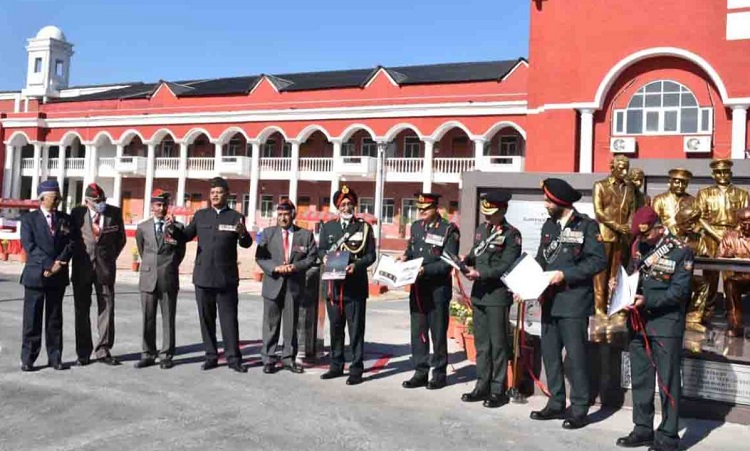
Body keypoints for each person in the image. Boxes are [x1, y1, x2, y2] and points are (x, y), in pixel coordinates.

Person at [528, 178, 606, 429]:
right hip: (549, 301)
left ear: (561, 201)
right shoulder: (549, 226)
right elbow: (542, 260)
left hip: (573, 302)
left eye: (548, 200)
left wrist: (565, 275)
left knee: (576, 357)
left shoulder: (586, 226)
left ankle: (580, 407)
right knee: (550, 355)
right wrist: (526, 285)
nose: (545, 204)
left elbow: (597, 262)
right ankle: (556, 402)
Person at [615, 206, 692, 451]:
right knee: (640, 378)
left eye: (647, 234)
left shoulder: (681, 250)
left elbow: (679, 292)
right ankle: (642, 429)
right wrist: (621, 292)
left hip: (665, 323)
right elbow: (633, 276)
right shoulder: (638, 247)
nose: (643, 239)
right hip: (638, 322)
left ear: (659, 227)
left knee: (667, 381)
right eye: (640, 236)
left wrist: (648, 301)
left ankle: (668, 436)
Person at [169, 177, 252, 373]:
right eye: (212, 192)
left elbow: (246, 243)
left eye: (219, 192)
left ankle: (233, 358)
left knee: (229, 320)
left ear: (227, 194)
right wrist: (173, 228)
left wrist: (242, 233)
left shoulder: (236, 217)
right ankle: (211, 356)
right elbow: (186, 236)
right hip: (204, 277)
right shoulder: (200, 215)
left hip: (226, 278)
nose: (215, 195)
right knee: (206, 320)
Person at [461, 190, 521, 407]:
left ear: (503, 210)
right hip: (479, 295)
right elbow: (475, 254)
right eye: (485, 212)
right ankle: (481, 384)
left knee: (498, 344)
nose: (487, 216)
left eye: (491, 212)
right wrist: (464, 261)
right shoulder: (481, 230)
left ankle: (498, 389)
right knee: (482, 344)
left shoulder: (512, 235)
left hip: (496, 295)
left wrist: (481, 273)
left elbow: (506, 265)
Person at [318, 185, 377, 385]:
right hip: (334, 288)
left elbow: (371, 255)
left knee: (356, 331)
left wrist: (357, 265)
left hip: (355, 287)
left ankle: (356, 369)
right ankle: (336, 365)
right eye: (343, 204)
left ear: (354, 205)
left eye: (349, 204)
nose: (346, 207)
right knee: (336, 329)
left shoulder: (364, 227)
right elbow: (321, 250)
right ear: (337, 207)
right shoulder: (328, 227)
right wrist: (324, 258)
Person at [400, 192, 460, 390]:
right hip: (418, 288)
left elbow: (448, 263)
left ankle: (439, 373)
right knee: (418, 332)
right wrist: (404, 258)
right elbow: (411, 250)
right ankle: (420, 371)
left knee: (437, 333)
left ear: (436, 208)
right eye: (420, 209)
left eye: (426, 209)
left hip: (437, 290)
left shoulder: (449, 229)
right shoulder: (417, 227)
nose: (422, 212)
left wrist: (425, 269)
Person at [255, 198, 317, 374]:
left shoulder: (305, 235)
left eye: (286, 214)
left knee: (291, 325)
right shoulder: (267, 234)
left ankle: (288, 358)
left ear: (293, 215)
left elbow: (311, 257)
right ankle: (268, 358)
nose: (282, 218)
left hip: (293, 286)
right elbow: (260, 257)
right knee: (270, 325)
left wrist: (295, 267)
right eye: (280, 214)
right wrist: (275, 268)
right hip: (272, 284)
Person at [19, 180, 75, 372]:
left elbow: (71, 243)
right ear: (42, 198)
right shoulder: (29, 220)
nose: (57, 199)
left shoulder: (65, 219)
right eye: (53, 197)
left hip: (57, 276)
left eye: (58, 196)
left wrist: (59, 263)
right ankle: (28, 358)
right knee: (32, 320)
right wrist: (48, 264)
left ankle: (55, 357)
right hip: (36, 275)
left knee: (54, 318)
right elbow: (29, 245)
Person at [71, 183, 126, 366]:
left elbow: (121, 240)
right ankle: (83, 353)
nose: (100, 203)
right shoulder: (77, 214)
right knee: (82, 311)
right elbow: (72, 239)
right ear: (87, 201)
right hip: (82, 268)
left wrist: (108, 258)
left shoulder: (114, 213)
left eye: (103, 200)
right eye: (96, 201)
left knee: (107, 309)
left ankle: (103, 350)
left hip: (105, 269)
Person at [134, 190, 186, 369]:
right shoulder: (143, 227)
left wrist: (168, 266)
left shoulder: (177, 228)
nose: (161, 208)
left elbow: (180, 252)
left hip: (168, 277)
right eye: (158, 205)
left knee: (168, 317)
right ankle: (148, 353)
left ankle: (166, 355)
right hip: (148, 277)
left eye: (164, 205)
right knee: (147, 317)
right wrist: (151, 266)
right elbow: (142, 250)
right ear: (152, 206)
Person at [696, 159, 749, 325]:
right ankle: (706, 311)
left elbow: (746, 216)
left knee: (732, 276)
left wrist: (732, 236)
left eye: (725, 172)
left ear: (731, 174)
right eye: (718, 172)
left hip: (733, 235)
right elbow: (700, 218)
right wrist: (716, 235)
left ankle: (731, 313)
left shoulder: (742, 194)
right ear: (713, 174)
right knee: (710, 277)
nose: (722, 175)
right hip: (711, 236)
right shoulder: (704, 193)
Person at [593, 155, 635, 318]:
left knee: (616, 273)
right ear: (612, 167)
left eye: (626, 167)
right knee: (601, 274)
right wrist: (617, 226)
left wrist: (629, 226)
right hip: (605, 235)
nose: (624, 171)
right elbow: (599, 212)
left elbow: (632, 210)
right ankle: (599, 307)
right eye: (621, 168)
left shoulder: (629, 188)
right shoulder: (600, 186)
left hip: (622, 236)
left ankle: (614, 305)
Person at [673, 205, 710, 334]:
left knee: (702, 283)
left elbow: (704, 254)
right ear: (681, 220)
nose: (693, 226)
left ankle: (692, 320)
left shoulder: (697, 238)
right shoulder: (669, 234)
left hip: (687, 275)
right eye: (690, 222)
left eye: (695, 222)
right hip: (668, 275)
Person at [717, 207, 750, 337]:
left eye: (749, 223)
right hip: (740, 277)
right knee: (730, 284)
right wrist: (726, 253)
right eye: (743, 223)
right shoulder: (730, 236)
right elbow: (718, 255)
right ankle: (735, 324)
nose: (746, 227)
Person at [651, 168, 695, 236]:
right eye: (677, 182)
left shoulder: (692, 200)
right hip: (665, 239)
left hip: (686, 239)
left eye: (684, 183)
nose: (680, 186)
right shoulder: (659, 199)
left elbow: (697, 222)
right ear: (670, 181)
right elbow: (654, 222)